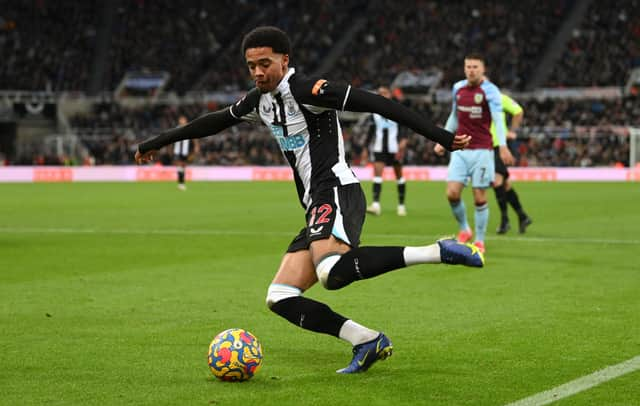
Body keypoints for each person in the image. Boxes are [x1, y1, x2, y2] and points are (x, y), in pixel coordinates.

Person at [135, 26, 483, 375]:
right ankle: (366, 340)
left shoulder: (308, 90)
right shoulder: (260, 100)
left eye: (265, 63)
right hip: (314, 204)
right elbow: (213, 122)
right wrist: (157, 141)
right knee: (280, 296)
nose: (257, 72)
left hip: (335, 189)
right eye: (251, 65)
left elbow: (377, 103)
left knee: (331, 272)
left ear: (285, 61)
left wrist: (440, 135)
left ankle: (437, 251)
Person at [434, 53, 514, 254]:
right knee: (451, 193)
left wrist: (502, 146)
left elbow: (498, 119)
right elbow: (454, 116)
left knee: (479, 196)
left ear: (483, 69)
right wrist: (443, 139)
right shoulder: (458, 88)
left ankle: (480, 240)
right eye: (468, 66)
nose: (471, 70)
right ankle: (464, 229)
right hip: (460, 150)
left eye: (475, 67)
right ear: (464, 68)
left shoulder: (490, 91)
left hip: (482, 151)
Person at [361, 86, 408, 216]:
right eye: (380, 93)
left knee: (399, 176)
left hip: (395, 148)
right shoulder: (374, 113)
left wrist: (403, 141)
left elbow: (404, 127)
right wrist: (365, 148)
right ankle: (376, 205)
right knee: (377, 175)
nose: (382, 95)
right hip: (379, 147)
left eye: (385, 93)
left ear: (390, 94)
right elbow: (370, 133)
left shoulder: (397, 110)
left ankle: (401, 205)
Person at [491, 93, 532, 234]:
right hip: (485, 147)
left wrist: (512, 131)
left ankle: (505, 221)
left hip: (500, 147)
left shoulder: (498, 97)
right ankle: (522, 216)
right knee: (505, 184)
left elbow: (518, 111)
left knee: (496, 182)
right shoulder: (475, 99)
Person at [172, 115, 200, 190]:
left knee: (182, 167)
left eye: (183, 120)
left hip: (185, 151)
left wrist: (196, 146)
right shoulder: (176, 129)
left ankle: (181, 183)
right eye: (181, 119)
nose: (182, 121)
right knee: (179, 166)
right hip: (177, 151)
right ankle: (181, 184)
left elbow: (194, 138)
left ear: (186, 120)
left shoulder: (189, 128)